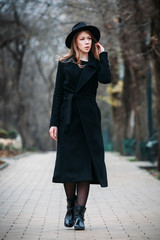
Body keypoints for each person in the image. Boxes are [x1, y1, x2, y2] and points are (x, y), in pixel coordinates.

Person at [49, 22, 111, 230]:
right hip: (68, 118)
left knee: (85, 167)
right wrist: (53, 123)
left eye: (89, 39)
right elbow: (58, 95)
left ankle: (80, 215)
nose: (87, 42)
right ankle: (70, 207)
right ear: (75, 41)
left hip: (89, 119)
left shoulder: (96, 62)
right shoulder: (64, 63)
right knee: (69, 166)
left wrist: (103, 56)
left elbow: (106, 79)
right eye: (83, 39)